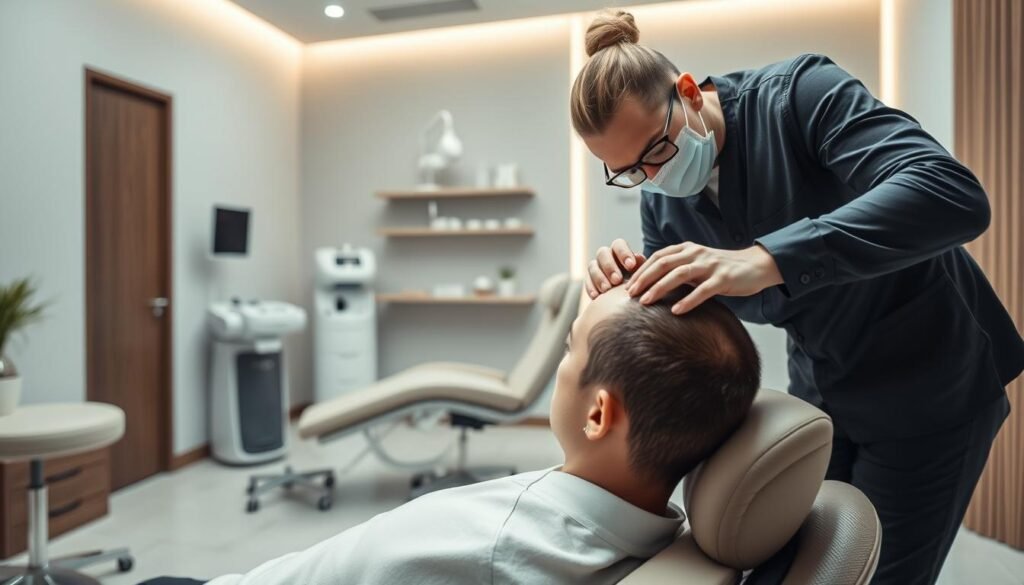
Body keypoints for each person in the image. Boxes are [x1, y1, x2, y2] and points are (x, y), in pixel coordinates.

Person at [572, 9, 1024, 585]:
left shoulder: (798, 97)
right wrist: (631, 289)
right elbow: (686, 318)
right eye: (627, 172)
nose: (653, 177)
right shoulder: (661, 199)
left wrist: (768, 259)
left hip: (930, 383)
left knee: (878, 572)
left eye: (656, 152)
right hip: (822, 392)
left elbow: (951, 193)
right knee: (785, 566)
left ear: (687, 92)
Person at [140, 284, 761, 585]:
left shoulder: (491, 547)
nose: (560, 366)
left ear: (597, 415)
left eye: (570, 351)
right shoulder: (650, 526)